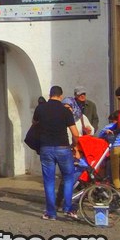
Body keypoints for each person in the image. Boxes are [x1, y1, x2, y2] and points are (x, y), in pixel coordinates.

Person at [32, 85, 80, 220]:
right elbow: (75, 133)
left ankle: (51, 213)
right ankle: (67, 208)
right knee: (69, 177)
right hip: (63, 148)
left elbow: (34, 123)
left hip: (46, 148)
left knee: (49, 181)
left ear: (50, 95)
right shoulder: (65, 111)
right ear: (61, 96)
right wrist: (75, 146)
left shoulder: (40, 108)